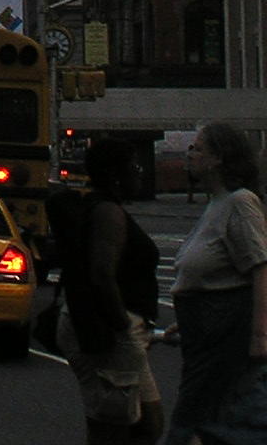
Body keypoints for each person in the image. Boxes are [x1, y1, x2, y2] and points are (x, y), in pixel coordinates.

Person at [160, 122, 267, 445]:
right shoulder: (216, 204)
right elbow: (211, 273)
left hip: (223, 339)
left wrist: (260, 336)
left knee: (192, 424)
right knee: (207, 423)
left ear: (219, 158)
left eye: (198, 148)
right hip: (203, 336)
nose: (190, 154)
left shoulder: (240, 203)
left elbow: (260, 266)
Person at [53, 137, 163, 443]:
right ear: (116, 174)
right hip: (111, 331)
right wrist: (123, 326)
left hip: (118, 329)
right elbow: (102, 274)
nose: (139, 172)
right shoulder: (107, 212)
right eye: (133, 166)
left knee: (148, 423)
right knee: (112, 424)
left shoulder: (104, 208)